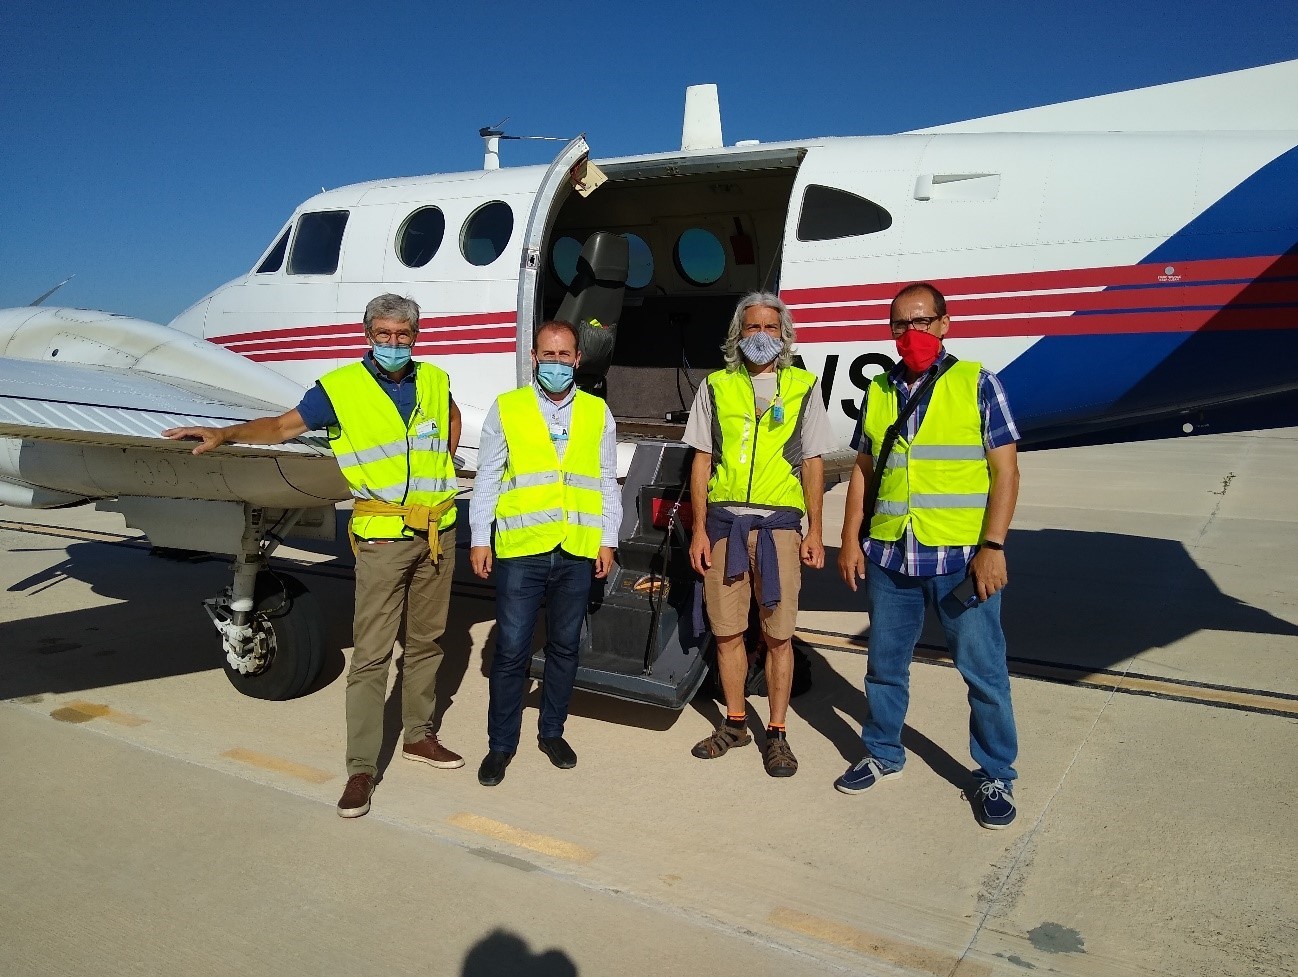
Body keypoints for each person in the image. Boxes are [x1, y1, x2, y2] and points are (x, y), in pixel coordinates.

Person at [164, 293, 465, 819]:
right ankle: (361, 769)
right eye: (384, 334)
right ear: (368, 334)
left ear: (415, 335)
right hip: (383, 536)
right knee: (372, 655)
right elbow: (282, 427)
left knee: (427, 641)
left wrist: (442, 461)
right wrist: (227, 433)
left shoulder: (434, 380)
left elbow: (452, 418)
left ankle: (418, 735)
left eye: (403, 335)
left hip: (438, 531)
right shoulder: (340, 388)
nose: (394, 343)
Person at [836, 282, 1022, 829]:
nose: (910, 333)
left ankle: (995, 773)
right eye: (899, 324)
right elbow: (864, 473)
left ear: (944, 324)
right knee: (884, 668)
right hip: (893, 556)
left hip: (961, 560)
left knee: (984, 672)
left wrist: (993, 546)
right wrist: (851, 539)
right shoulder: (879, 390)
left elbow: (1005, 471)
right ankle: (882, 752)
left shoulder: (977, 383)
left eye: (920, 321)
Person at [683, 292, 831, 777]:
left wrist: (814, 530)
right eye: (752, 328)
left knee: (779, 636)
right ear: (737, 335)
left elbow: (813, 463)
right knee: (727, 633)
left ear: (783, 334)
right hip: (726, 525)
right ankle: (735, 723)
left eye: (771, 327)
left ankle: (778, 733)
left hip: (779, 527)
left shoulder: (804, 386)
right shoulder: (716, 386)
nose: (761, 336)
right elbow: (702, 461)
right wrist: (700, 530)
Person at [468, 320, 621, 787]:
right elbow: (489, 476)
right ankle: (500, 745)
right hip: (521, 549)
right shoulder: (508, 408)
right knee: (512, 649)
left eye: (564, 355)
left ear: (578, 359)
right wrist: (480, 537)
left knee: (564, 646)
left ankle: (552, 732)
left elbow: (605, 481)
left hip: (575, 549)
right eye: (547, 355)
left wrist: (607, 539)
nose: (556, 363)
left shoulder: (598, 413)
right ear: (534, 357)